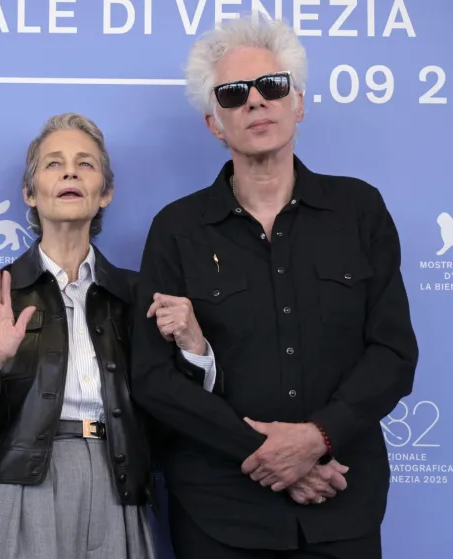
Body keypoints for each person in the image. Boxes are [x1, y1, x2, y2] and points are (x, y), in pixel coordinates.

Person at [131, 16, 418, 559]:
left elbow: (393, 353)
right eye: (233, 93)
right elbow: (154, 378)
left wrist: (316, 439)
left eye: (272, 85)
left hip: (342, 497)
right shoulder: (177, 229)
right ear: (215, 124)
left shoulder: (360, 211)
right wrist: (268, 453)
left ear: (298, 103)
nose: (256, 101)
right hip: (220, 511)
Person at [0, 113, 218, 559]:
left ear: (105, 192)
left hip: (120, 482)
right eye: (54, 164)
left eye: (85, 164)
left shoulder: (138, 295)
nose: (70, 173)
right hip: (20, 485)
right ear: (29, 192)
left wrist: (195, 349)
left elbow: (179, 417)